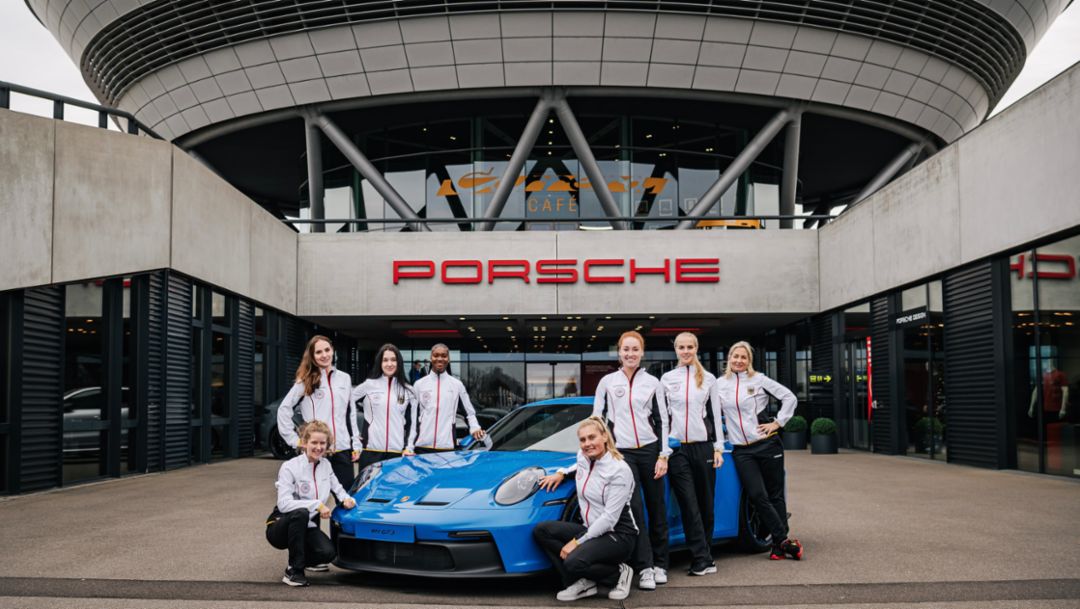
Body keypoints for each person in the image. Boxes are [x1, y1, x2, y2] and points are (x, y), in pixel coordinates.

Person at [593, 331, 670, 590]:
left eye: (635, 349)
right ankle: (645, 567)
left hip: (650, 451)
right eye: (626, 349)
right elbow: (597, 420)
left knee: (657, 507)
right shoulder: (606, 382)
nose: (630, 354)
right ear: (619, 352)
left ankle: (661, 563)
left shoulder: (653, 383)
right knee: (635, 511)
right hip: (622, 455)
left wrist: (663, 454)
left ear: (642, 352)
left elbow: (663, 421)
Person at [716, 341, 803, 561]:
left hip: (767, 444)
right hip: (741, 450)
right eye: (735, 356)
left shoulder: (759, 380)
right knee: (757, 495)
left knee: (774, 495)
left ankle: (777, 545)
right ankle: (783, 539)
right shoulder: (719, 384)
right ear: (729, 358)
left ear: (749, 361)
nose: (738, 360)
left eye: (743, 357)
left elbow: (789, 397)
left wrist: (778, 423)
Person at [534, 416, 637, 601]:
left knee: (573, 560)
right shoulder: (583, 457)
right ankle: (582, 582)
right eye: (582, 440)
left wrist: (578, 542)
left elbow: (609, 519)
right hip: (591, 529)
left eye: (592, 437)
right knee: (542, 531)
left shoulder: (619, 471)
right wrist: (560, 473)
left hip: (618, 534)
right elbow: (577, 466)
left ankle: (619, 572)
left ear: (605, 437)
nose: (587, 444)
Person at [659, 332, 725, 576]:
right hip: (678, 450)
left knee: (706, 505)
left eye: (689, 347)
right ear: (675, 349)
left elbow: (716, 416)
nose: (685, 351)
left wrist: (718, 447)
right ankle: (701, 558)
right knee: (688, 503)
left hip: (703, 447)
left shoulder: (708, 379)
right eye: (681, 347)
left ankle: (706, 556)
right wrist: (664, 449)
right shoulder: (666, 379)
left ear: (696, 348)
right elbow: (663, 418)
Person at [266, 420, 356, 586]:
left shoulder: (326, 465)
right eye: (314, 442)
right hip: (280, 525)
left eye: (323, 443)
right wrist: (317, 505)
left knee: (328, 553)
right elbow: (284, 504)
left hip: (307, 525)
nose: (318, 447)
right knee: (301, 513)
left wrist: (347, 500)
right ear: (304, 442)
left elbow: (338, 489)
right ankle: (294, 571)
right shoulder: (290, 467)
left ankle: (297, 561)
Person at [276, 335, 361, 490]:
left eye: (327, 350)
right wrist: (295, 441)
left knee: (347, 499)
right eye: (319, 352)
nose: (324, 355)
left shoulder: (345, 378)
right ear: (313, 357)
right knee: (312, 503)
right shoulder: (305, 381)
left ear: (332, 350)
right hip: (315, 451)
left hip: (341, 450)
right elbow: (284, 409)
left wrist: (355, 443)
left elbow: (351, 414)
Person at [351, 344, 417, 470]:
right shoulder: (368, 385)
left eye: (393, 360)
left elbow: (413, 423)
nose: (389, 364)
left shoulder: (409, 390)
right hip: (370, 452)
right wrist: (354, 435)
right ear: (380, 363)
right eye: (385, 360)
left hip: (397, 454)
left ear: (399, 363)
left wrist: (409, 447)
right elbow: (345, 405)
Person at [410, 344, 485, 453]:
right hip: (421, 447)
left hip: (447, 448)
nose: (440, 359)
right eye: (436, 355)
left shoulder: (457, 385)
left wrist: (475, 428)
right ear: (431, 358)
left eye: (444, 356)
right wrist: (408, 446)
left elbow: (469, 413)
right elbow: (411, 417)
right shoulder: (419, 384)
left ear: (448, 359)